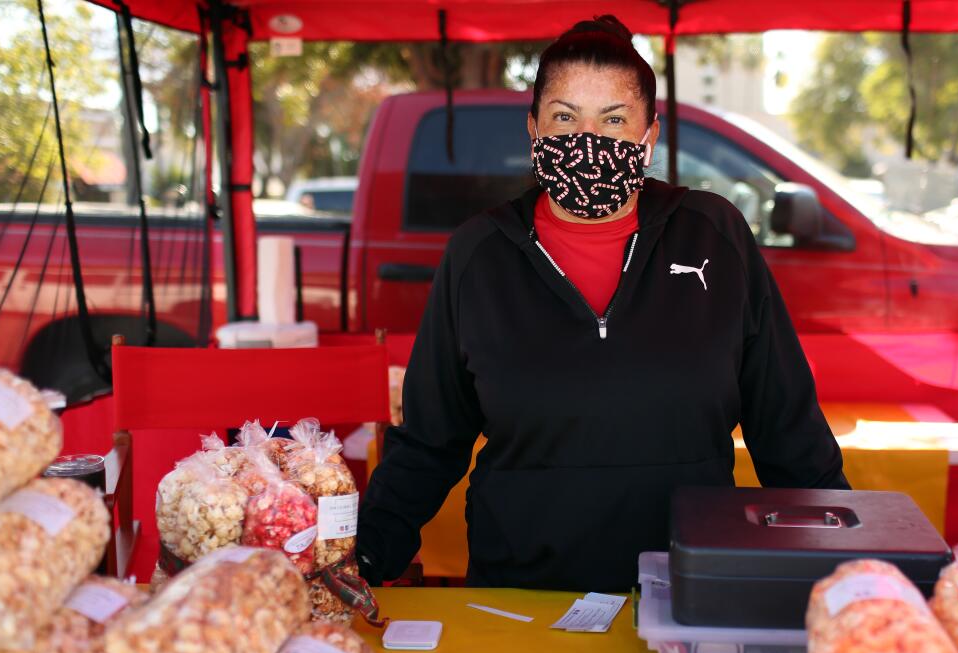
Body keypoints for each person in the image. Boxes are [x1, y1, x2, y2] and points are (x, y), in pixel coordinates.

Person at [358, 15, 846, 592]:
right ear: (534, 128)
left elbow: (787, 428)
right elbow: (429, 442)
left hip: (690, 588)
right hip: (520, 601)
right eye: (565, 117)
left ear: (649, 135)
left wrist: (846, 565)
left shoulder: (713, 235)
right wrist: (362, 558)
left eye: (613, 120)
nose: (588, 140)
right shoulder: (479, 254)